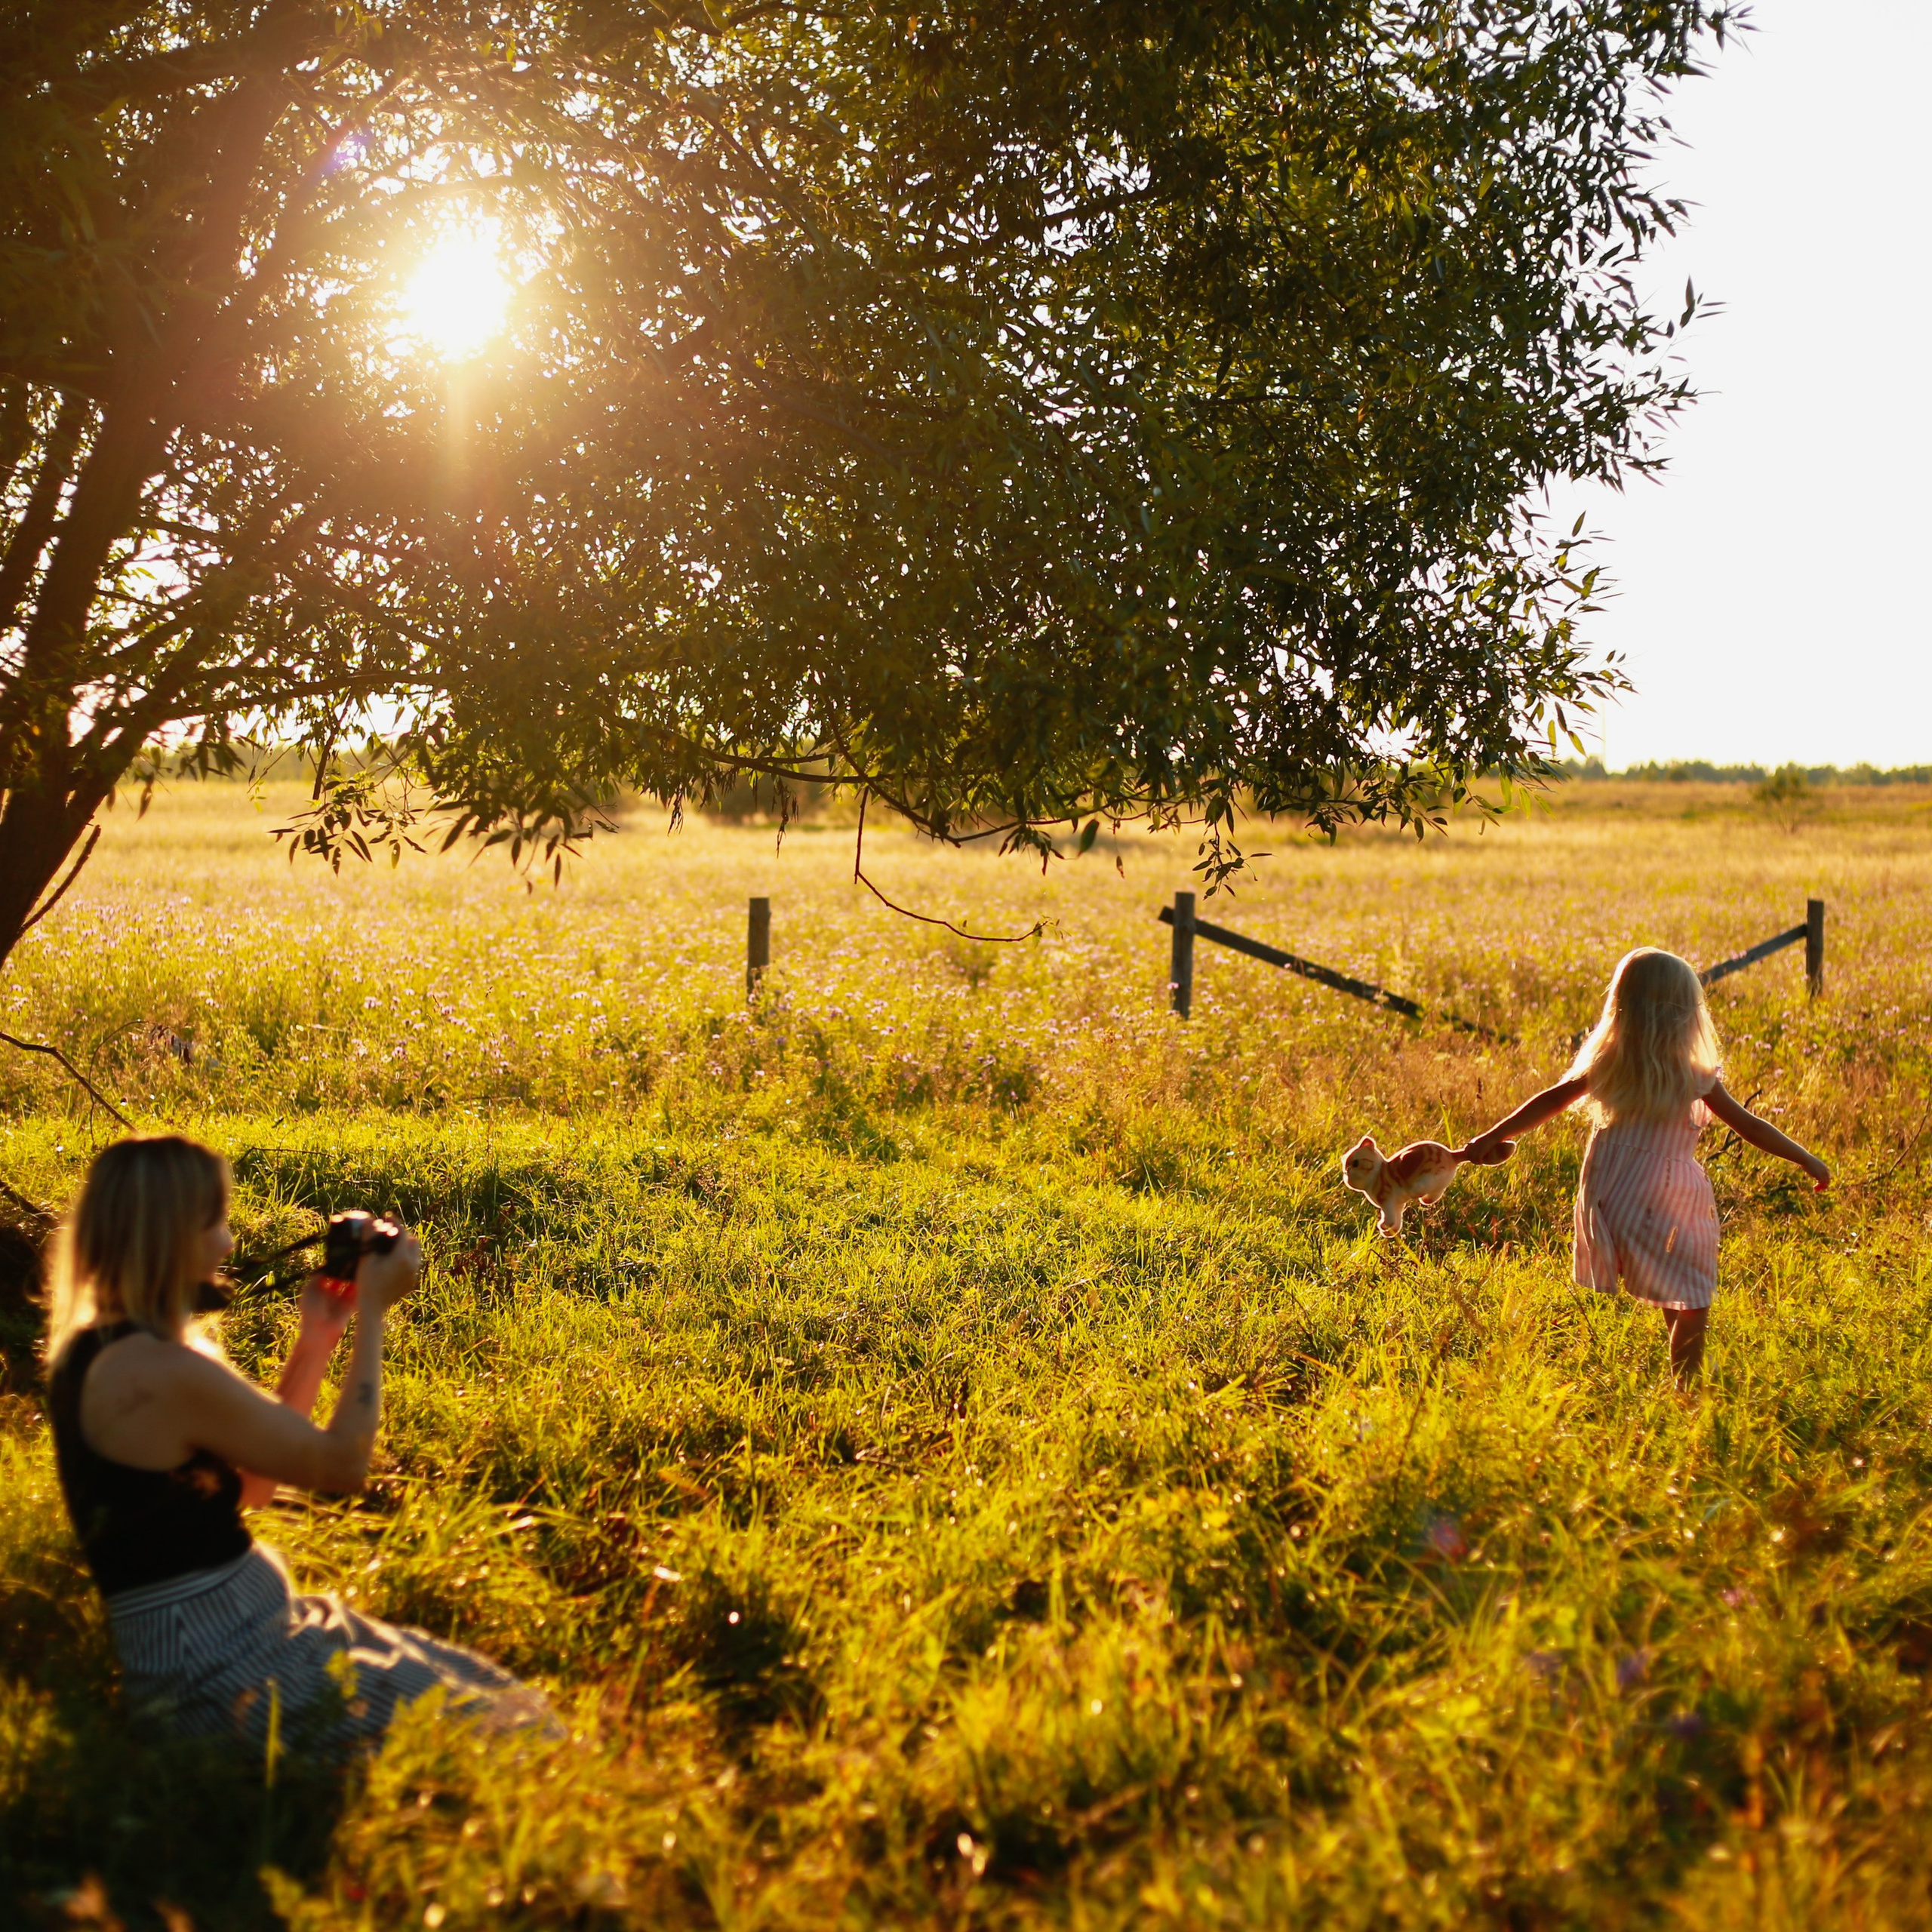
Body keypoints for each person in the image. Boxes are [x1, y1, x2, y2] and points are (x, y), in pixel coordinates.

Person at [44, 1134, 553, 1749]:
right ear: (170, 1232)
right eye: (216, 1221)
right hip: (223, 1670)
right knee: (506, 1736)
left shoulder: (104, 1352)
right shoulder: (156, 1372)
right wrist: (373, 1312)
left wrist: (318, 1338)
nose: (228, 1242)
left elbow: (253, 1490)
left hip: (251, 1633)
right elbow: (342, 1465)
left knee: (504, 1703)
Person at [1462, 947, 1830, 1382]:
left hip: (1612, 1194)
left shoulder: (1609, 1064)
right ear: (1684, 1014)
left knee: (1673, 1284)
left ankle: (1689, 1368)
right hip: (1668, 1195)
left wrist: (1494, 1135)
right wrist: (1806, 1158)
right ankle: (1688, 1385)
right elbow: (1750, 1127)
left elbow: (1550, 1101)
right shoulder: (1692, 1074)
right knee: (1693, 1294)